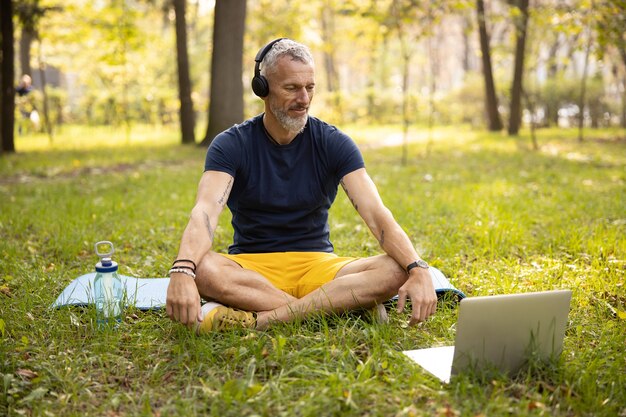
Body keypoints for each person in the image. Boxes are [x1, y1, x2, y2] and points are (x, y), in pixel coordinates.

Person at [166, 39, 437, 332]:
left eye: (310, 87)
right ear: (263, 88)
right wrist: (182, 269)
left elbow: (376, 213)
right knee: (202, 269)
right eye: (292, 88)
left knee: (393, 269)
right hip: (252, 268)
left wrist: (417, 268)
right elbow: (204, 213)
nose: (304, 99)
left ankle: (261, 320)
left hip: (318, 265)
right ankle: (340, 307)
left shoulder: (334, 142)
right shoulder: (230, 144)